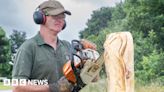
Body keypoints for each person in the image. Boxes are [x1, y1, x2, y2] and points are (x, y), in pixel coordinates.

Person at [12, 0, 73, 92]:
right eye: (55, 16)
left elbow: (83, 78)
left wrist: (89, 56)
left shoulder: (67, 46)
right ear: (41, 18)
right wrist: (53, 88)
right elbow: (18, 86)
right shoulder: (28, 47)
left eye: (62, 17)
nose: (60, 20)